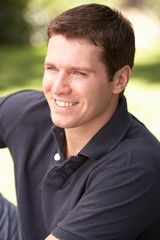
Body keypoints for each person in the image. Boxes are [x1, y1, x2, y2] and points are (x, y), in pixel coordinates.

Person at [0, 3, 160, 240]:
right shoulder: (29, 113)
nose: (57, 88)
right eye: (52, 68)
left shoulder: (135, 168)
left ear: (119, 80)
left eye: (78, 73)